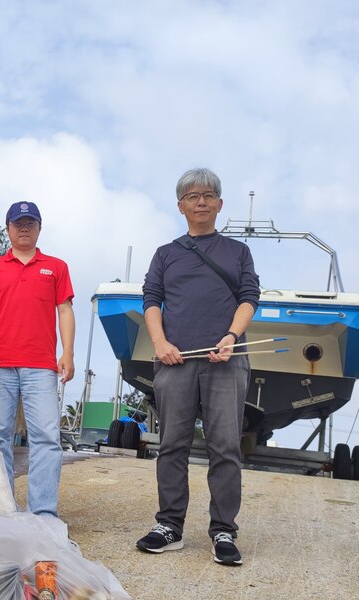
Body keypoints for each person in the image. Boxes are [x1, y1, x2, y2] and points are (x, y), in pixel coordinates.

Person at [135, 168, 259, 566]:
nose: (201, 201)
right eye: (192, 196)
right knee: (172, 445)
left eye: (208, 195)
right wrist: (160, 343)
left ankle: (224, 530)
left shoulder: (237, 252)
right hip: (174, 361)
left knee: (225, 447)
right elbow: (150, 299)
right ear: (180, 206)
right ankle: (169, 525)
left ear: (220, 204)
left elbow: (248, 296)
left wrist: (232, 337)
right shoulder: (166, 254)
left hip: (226, 361)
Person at [0, 201, 75, 517]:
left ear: (39, 228)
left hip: (41, 366)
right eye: (18, 223)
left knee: (46, 437)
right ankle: (1, 508)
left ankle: (42, 512)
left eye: (30, 222)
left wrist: (67, 352)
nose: (24, 228)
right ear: (8, 229)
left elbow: (65, 310)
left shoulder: (56, 266)